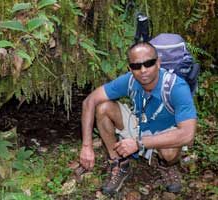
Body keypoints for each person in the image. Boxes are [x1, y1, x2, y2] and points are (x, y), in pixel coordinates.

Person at [79, 42, 197, 195]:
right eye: (136, 66)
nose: (143, 70)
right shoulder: (130, 80)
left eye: (148, 63)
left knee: (169, 153)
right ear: (130, 68)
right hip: (140, 123)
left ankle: (167, 165)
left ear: (158, 63)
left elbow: (188, 135)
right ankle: (119, 163)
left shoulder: (176, 87)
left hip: (166, 130)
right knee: (103, 108)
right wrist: (86, 146)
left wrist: (138, 143)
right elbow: (89, 101)